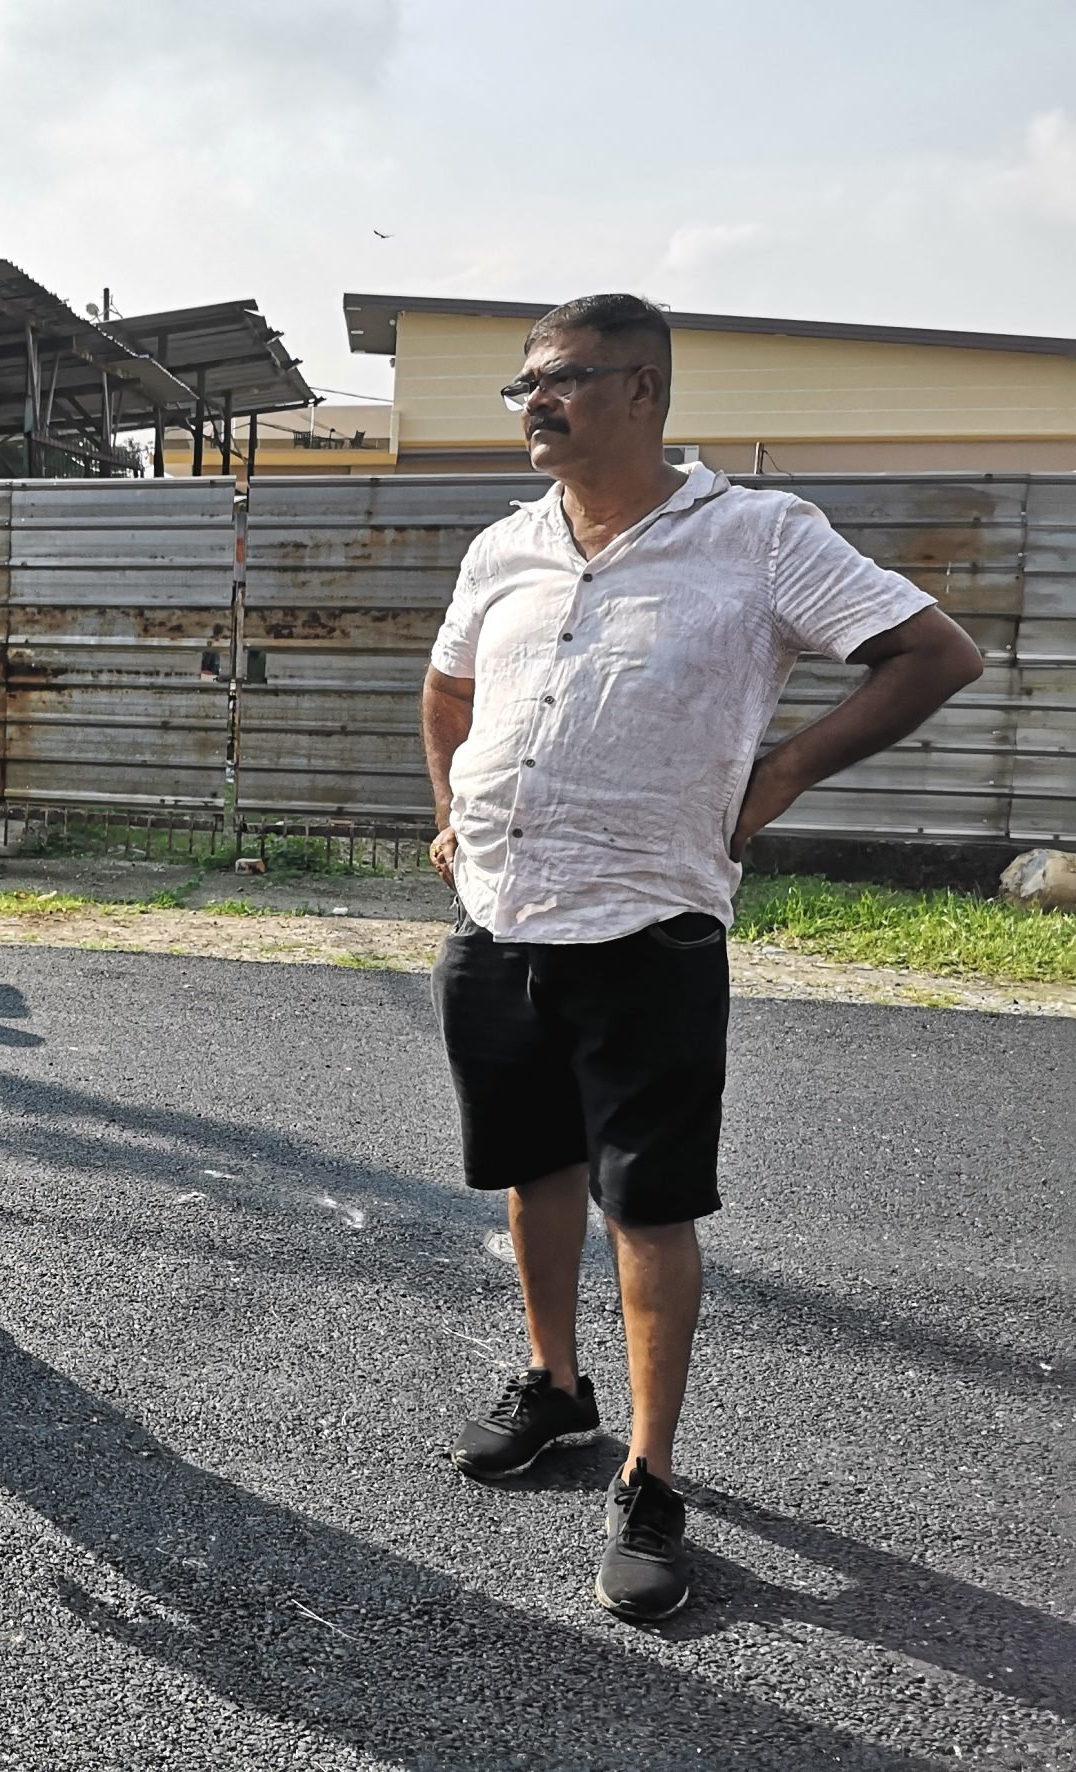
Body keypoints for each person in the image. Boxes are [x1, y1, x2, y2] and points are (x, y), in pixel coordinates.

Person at [421, 293, 984, 1622]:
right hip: (499, 915)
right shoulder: (504, 546)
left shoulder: (759, 536)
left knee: (648, 1208)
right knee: (531, 1172)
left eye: (559, 381)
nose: (533, 403)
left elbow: (931, 653)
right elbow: (447, 689)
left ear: (644, 391)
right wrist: (447, 810)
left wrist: (781, 772)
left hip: (650, 926)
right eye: (524, 386)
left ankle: (651, 1475)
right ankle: (558, 1388)